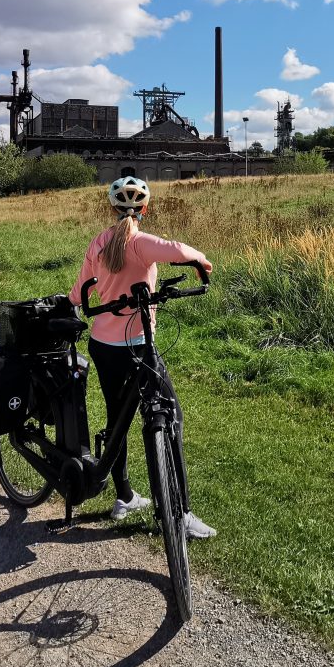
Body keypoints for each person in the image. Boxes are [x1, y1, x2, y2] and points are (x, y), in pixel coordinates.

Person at [68, 176, 217, 539]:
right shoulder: (138, 242)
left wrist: (75, 302)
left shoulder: (99, 242)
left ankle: (124, 496)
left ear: (112, 208)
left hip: (103, 346)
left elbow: (79, 291)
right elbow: (176, 249)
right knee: (171, 417)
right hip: (137, 345)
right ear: (144, 209)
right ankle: (179, 514)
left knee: (118, 421)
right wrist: (201, 260)